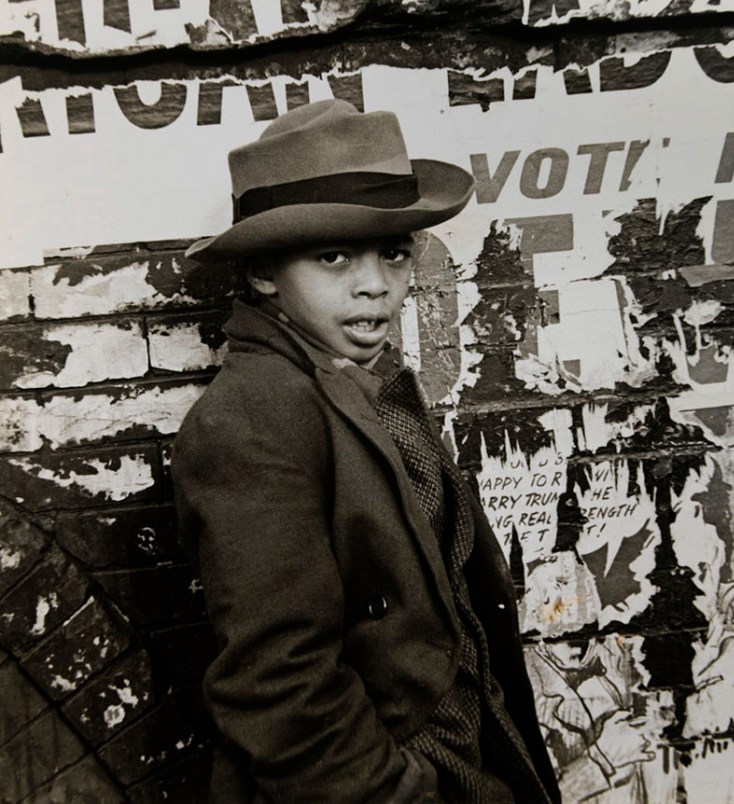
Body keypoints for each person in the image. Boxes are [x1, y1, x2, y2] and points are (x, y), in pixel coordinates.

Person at [172, 99, 561, 803]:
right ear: (264, 273)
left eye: (394, 253)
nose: (375, 285)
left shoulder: (362, 385)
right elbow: (281, 688)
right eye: (332, 256)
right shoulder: (252, 420)